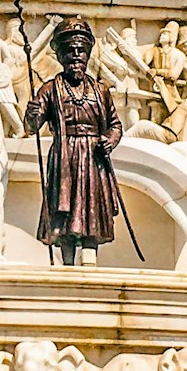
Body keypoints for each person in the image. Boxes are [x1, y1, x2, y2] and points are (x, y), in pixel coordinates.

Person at [25, 16, 123, 267]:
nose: (76, 56)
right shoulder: (50, 89)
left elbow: (115, 124)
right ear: (61, 56)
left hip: (93, 156)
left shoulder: (100, 91)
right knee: (64, 210)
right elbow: (31, 128)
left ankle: (90, 254)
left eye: (81, 50)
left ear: (88, 54)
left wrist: (110, 140)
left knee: (91, 207)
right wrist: (32, 113)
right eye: (70, 51)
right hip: (65, 155)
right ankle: (67, 260)